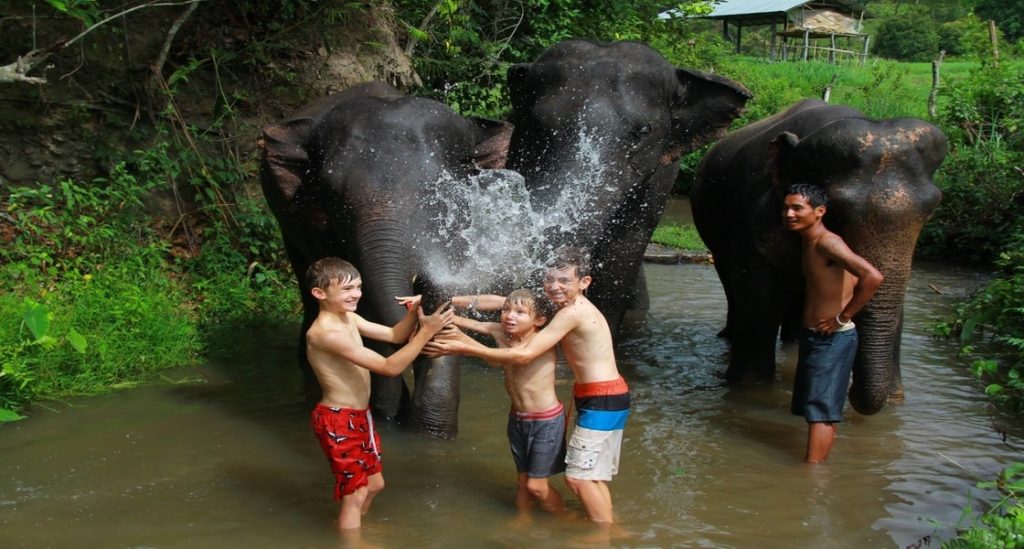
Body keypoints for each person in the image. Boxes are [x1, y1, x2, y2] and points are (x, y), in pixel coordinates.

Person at [429, 248, 628, 524]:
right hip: (594, 396)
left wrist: (463, 346)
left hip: (603, 397)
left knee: (579, 479)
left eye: (564, 281)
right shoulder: (560, 305)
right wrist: (449, 301)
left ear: (584, 282)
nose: (554, 286)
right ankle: (609, 526)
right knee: (588, 475)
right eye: (550, 279)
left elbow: (523, 355)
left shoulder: (572, 313)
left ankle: (601, 537)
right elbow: (502, 301)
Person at [304, 256, 454, 531]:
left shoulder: (348, 317)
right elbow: (389, 367)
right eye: (347, 289)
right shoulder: (325, 333)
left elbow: (395, 335)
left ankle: (356, 527)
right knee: (357, 492)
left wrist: (414, 312)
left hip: (360, 415)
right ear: (319, 293)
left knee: (374, 484)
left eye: (359, 287)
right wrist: (426, 332)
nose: (357, 294)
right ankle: (353, 537)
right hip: (337, 419)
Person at [445, 288, 569, 518]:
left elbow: (517, 356)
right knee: (522, 480)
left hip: (545, 421)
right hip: (518, 418)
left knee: (536, 486)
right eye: (506, 310)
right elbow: (459, 320)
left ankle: (567, 519)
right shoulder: (500, 332)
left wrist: (464, 344)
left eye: (520, 312)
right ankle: (523, 519)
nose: (510, 316)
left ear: (539, 320)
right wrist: (426, 306)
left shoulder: (541, 341)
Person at [783, 183, 883, 463]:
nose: (789, 213)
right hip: (815, 336)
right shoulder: (809, 242)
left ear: (819, 211)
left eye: (797, 208)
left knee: (821, 413)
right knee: (813, 408)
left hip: (832, 338)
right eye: (786, 207)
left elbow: (872, 277)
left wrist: (843, 317)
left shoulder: (828, 243)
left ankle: (812, 478)